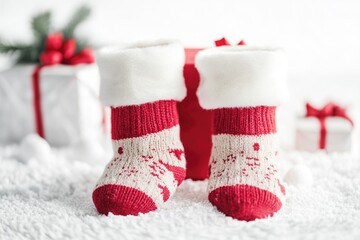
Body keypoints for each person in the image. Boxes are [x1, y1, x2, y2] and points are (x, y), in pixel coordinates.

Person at [92, 40, 287, 221]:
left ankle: (245, 158)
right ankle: (154, 155)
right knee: (135, 65)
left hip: (254, 154)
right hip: (129, 154)